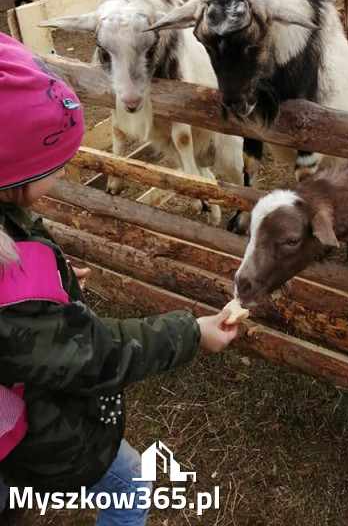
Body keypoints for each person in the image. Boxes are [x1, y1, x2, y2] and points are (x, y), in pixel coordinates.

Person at [0, 33, 239, 523]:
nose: (64, 173)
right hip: (43, 433)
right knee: (130, 485)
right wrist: (193, 332)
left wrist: (58, 285)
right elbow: (94, 356)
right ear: (14, 174)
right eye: (53, 165)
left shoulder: (11, 223)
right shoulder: (12, 289)